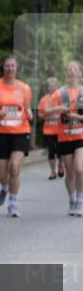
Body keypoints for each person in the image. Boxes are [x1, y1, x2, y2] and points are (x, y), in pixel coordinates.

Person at [0, 55, 33, 217]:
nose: (10, 69)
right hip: (0, 133)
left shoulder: (24, 88)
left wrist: (30, 112)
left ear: (17, 68)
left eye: (13, 66)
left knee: (14, 167)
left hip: (20, 132)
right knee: (2, 173)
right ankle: (4, 188)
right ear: (3, 68)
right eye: (7, 66)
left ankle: (13, 203)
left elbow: (27, 108)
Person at [49, 60, 83, 217]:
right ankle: (72, 200)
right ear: (66, 73)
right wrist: (58, 108)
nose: (72, 72)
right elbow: (45, 112)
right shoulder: (59, 93)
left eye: (75, 69)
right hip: (64, 137)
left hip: (81, 136)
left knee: (79, 169)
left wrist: (76, 116)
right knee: (70, 173)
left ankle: (80, 201)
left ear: (80, 73)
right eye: (69, 69)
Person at [37, 77, 65, 180]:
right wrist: (49, 116)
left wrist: (58, 115)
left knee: (60, 151)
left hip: (60, 130)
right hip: (48, 130)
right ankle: (53, 172)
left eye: (54, 86)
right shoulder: (44, 99)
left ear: (58, 87)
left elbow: (66, 112)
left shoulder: (62, 98)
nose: (52, 88)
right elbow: (40, 114)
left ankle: (61, 165)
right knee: (51, 152)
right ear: (47, 88)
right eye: (50, 86)